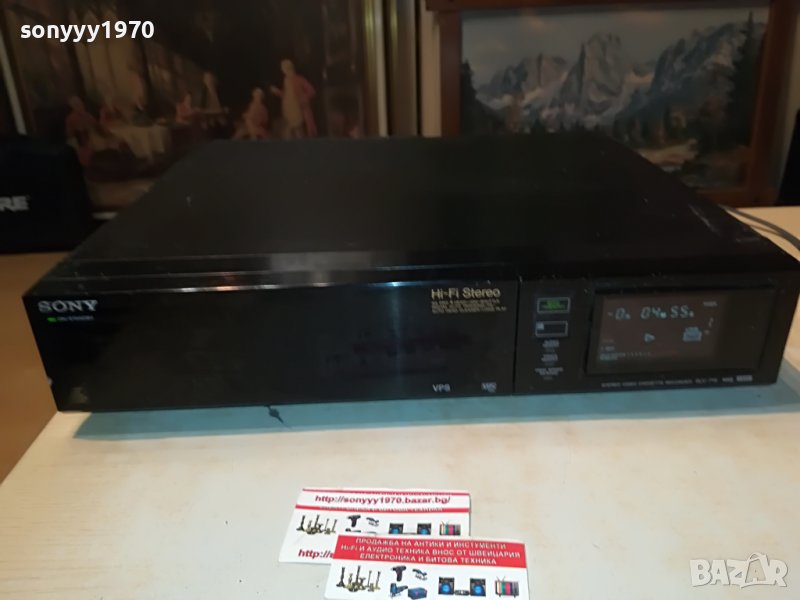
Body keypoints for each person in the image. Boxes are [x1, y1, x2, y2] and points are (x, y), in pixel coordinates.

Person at [270, 59, 317, 138]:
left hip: (297, 107)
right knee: (290, 129)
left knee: (297, 129)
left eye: (284, 68)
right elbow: (285, 94)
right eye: (283, 69)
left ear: (289, 68)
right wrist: (276, 91)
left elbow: (311, 91)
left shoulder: (298, 79)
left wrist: (304, 98)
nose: (283, 71)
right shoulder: (286, 80)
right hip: (288, 108)